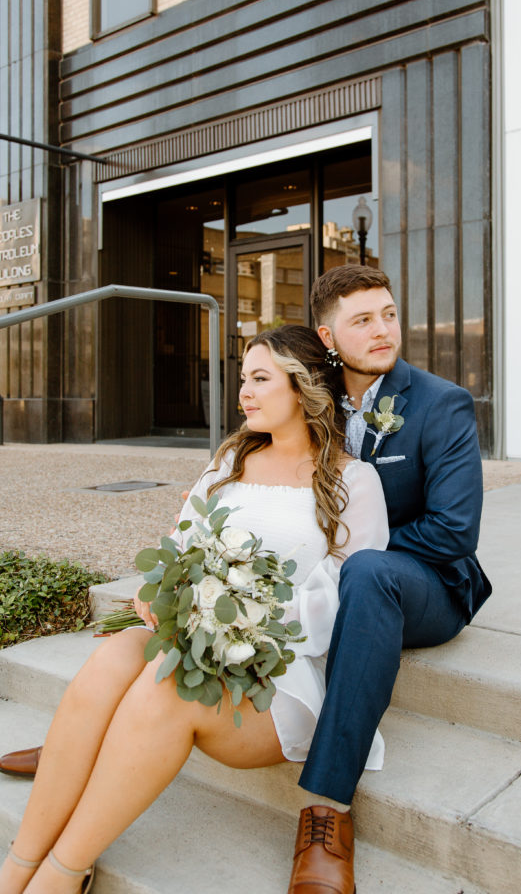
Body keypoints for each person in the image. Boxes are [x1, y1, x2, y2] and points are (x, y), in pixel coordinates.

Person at [0, 325, 389, 894]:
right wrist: (159, 592)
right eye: (242, 380)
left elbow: (352, 604)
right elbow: (183, 547)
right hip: (197, 638)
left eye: (260, 380)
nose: (243, 394)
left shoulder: (354, 482)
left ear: (305, 390)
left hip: (279, 675)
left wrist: (242, 615)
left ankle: (62, 873)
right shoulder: (230, 459)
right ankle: (18, 866)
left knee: (167, 683)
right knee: (111, 661)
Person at [284, 264, 491, 894]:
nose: (383, 331)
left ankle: (327, 809)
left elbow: (455, 532)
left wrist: (347, 554)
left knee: (368, 572)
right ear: (327, 335)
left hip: (429, 582)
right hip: (337, 577)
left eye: (390, 314)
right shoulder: (311, 398)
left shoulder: (441, 403)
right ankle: (114, 737)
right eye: (363, 320)